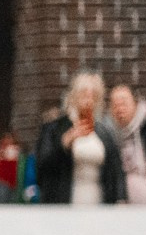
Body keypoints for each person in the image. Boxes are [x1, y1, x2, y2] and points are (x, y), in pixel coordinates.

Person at [35, 71, 125, 205]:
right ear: (74, 96)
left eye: (93, 96)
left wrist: (120, 199)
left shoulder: (104, 132)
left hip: (98, 197)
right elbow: (42, 166)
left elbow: (115, 169)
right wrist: (64, 143)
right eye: (84, 94)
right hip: (64, 199)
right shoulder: (54, 128)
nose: (88, 100)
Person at [107, 85, 146, 206]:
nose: (120, 109)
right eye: (115, 105)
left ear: (136, 103)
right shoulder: (110, 136)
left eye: (123, 103)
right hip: (126, 212)